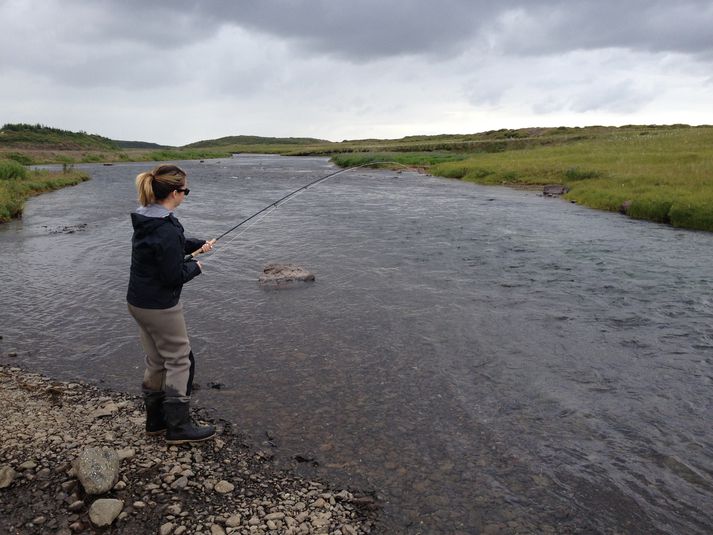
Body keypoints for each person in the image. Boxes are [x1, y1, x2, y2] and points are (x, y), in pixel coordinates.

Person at [127, 164, 216, 444]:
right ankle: (178, 426)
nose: (186, 195)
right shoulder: (164, 227)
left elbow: (170, 246)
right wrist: (196, 267)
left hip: (139, 302)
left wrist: (198, 244)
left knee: (156, 360)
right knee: (180, 359)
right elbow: (171, 275)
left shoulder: (148, 218)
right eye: (185, 190)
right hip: (160, 305)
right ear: (175, 193)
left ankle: (155, 422)